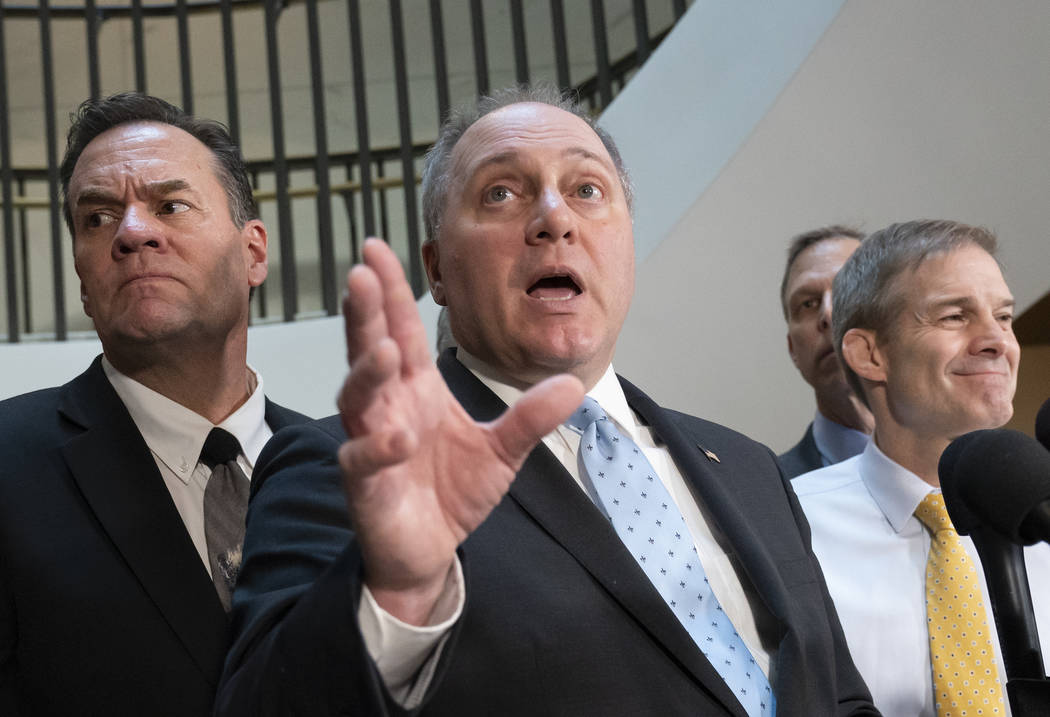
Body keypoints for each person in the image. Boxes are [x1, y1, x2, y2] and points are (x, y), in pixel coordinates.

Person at [216, 87, 878, 717]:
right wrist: (397, 594)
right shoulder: (333, 465)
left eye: (587, 189)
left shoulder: (748, 465)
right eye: (501, 192)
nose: (554, 219)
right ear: (437, 268)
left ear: (627, 244)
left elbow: (839, 696)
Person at [0, 93, 308, 716]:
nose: (132, 232)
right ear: (84, 281)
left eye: (171, 205)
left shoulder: (348, 467)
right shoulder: (7, 463)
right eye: (98, 219)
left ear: (253, 252)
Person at [792, 220, 1050, 716]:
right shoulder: (790, 532)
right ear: (869, 355)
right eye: (955, 316)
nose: (997, 341)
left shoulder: (1047, 516)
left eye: (1004, 316)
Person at [778, 226, 873, 478]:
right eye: (808, 304)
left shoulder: (971, 458)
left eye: (849, 290)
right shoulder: (769, 494)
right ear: (792, 349)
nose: (828, 314)